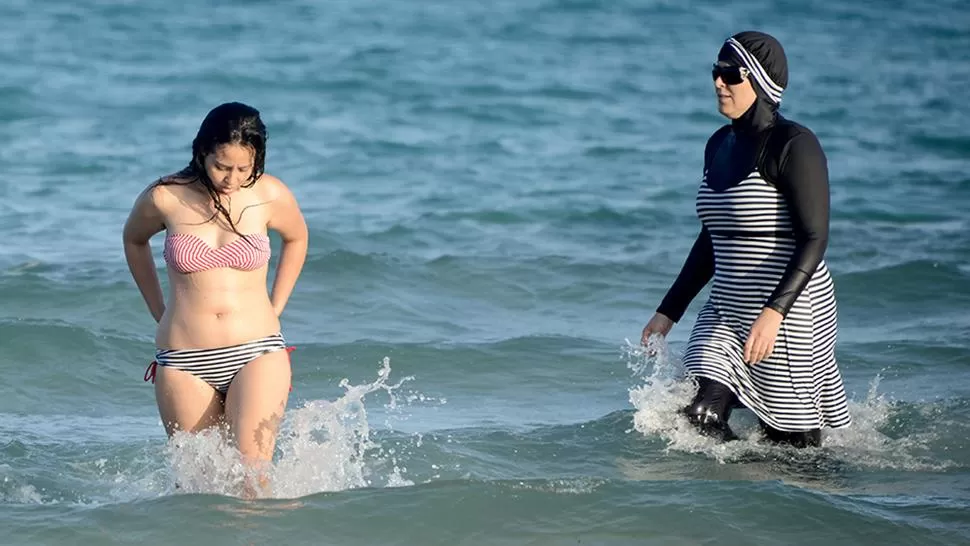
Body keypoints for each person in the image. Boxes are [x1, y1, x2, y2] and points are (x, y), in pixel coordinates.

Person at [641, 31, 851, 448]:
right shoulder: (718, 144)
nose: (719, 82)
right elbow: (711, 239)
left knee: (793, 449)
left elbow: (815, 237)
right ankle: (725, 497)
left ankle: (812, 498)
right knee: (697, 415)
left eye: (730, 74)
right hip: (726, 306)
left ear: (758, 80)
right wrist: (669, 312)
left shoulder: (795, 145)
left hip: (790, 309)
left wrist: (775, 312)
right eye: (715, 72)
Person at [122, 102, 308, 493]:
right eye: (222, 166)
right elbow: (134, 240)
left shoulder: (269, 194)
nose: (232, 178)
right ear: (202, 151)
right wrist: (158, 308)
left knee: (252, 478)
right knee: (197, 488)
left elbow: (297, 237)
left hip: (257, 351)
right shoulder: (166, 197)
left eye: (244, 167)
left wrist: (277, 305)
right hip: (184, 360)